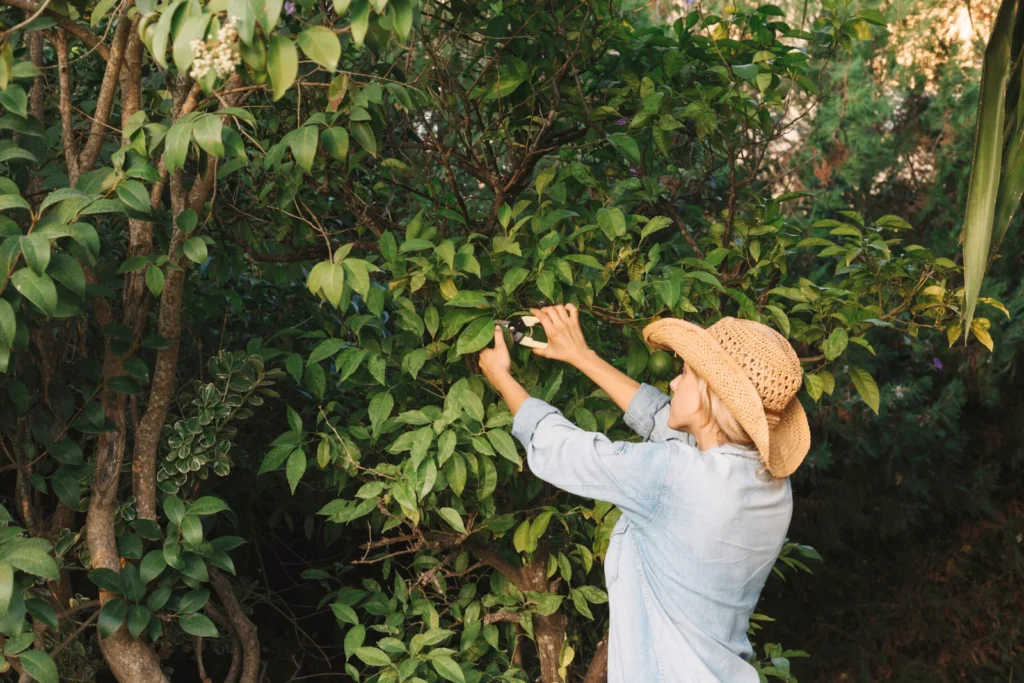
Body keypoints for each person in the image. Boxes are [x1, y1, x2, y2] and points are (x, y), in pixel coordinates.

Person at [477, 304, 811, 683]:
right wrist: (581, 355)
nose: (674, 384)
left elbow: (563, 449)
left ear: (709, 395)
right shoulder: (769, 484)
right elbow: (667, 423)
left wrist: (501, 377)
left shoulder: (675, 476)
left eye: (685, 373)